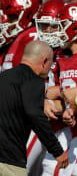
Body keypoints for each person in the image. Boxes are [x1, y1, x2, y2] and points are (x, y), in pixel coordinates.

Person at [0, 41, 69, 176]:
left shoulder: (3, 78)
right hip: (10, 160)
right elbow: (35, 116)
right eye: (50, 64)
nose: (50, 69)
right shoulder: (34, 80)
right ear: (44, 61)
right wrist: (57, 151)